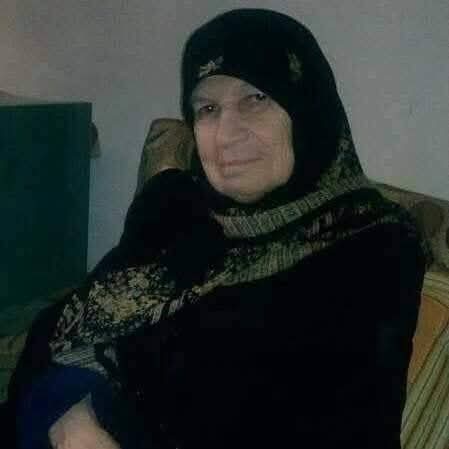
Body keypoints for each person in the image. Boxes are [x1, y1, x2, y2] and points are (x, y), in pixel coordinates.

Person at [11, 8, 427, 449]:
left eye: (256, 99)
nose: (226, 134)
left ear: (308, 108)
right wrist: (69, 415)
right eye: (208, 108)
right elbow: (65, 329)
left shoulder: (373, 245)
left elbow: (349, 429)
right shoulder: (174, 204)